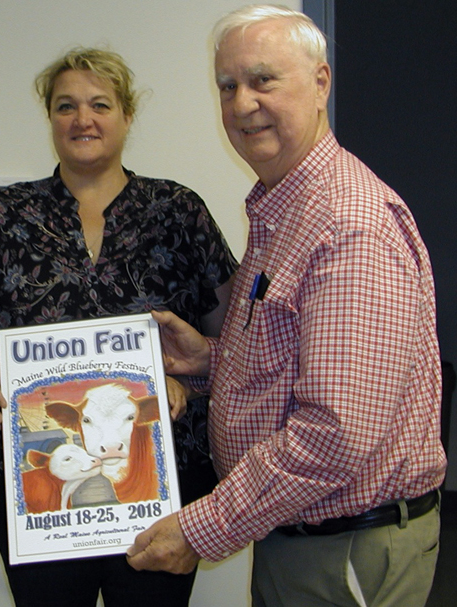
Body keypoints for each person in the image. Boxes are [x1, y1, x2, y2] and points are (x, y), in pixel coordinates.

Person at [127, 6, 447, 606]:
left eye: (262, 79)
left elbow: (335, 433)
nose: (243, 102)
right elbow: (299, 363)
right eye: (228, 86)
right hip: (305, 539)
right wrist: (209, 361)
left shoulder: (347, 225)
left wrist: (202, 529)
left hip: (344, 553)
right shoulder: (285, 209)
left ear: (321, 82)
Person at [0, 47, 237, 606]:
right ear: (49, 117)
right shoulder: (5, 216)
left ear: (127, 115)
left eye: (100, 104)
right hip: (40, 479)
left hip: (162, 475)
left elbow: (238, 343)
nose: (83, 119)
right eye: (66, 106)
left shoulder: (179, 210)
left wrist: (186, 380)